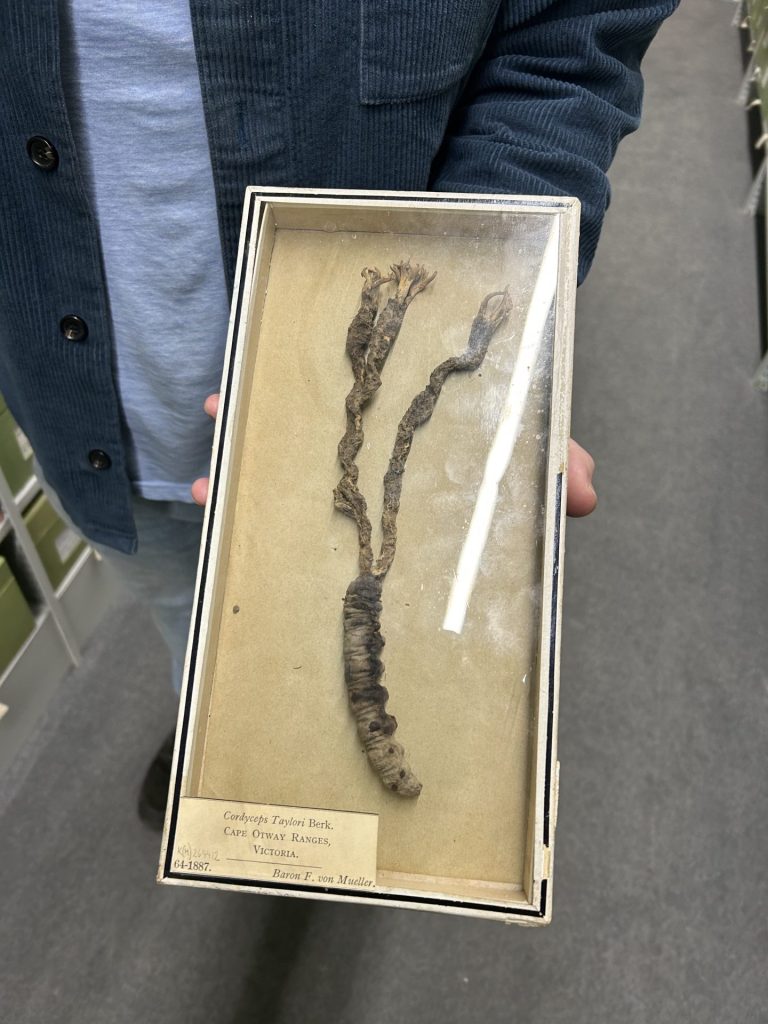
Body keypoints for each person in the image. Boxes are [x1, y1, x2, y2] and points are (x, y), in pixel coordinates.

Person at [0, 0, 678, 828]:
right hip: (97, 416)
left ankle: (323, 776)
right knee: (190, 611)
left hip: (366, 357)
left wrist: (486, 341)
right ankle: (220, 726)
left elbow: (569, 42)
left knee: (363, 600)